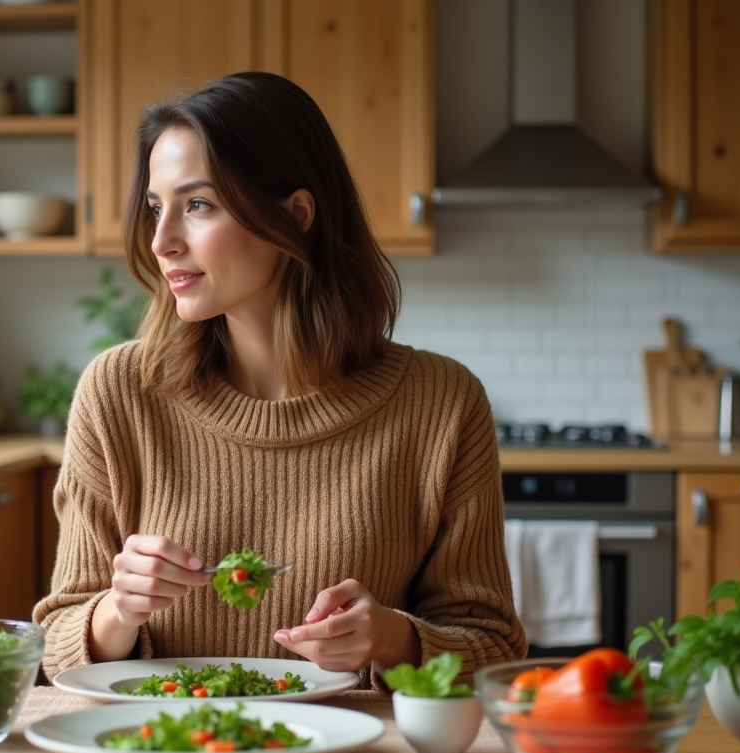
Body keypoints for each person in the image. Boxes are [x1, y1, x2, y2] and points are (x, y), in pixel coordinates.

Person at [33, 72, 526, 688]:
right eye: (157, 208)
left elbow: (494, 648)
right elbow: (55, 644)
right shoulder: (118, 393)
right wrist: (118, 611)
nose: (161, 241)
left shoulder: (442, 403)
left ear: (295, 216)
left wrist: (393, 639)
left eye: (198, 205)